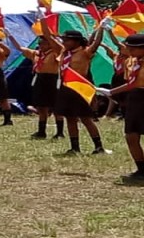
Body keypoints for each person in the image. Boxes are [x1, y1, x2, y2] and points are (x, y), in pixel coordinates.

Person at [43, 22, 108, 154]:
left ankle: (98, 146)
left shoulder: (85, 52)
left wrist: (101, 28)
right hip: (65, 87)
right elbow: (48, 36)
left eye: (67, 40)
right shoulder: (63, 51)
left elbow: (96, 43)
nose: (64, 42)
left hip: (79, 88)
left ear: (76, 41)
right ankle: (75, 147)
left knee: (85, 118)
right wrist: (43, 19)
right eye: (64, 39)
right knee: (70, 117)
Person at [105, 33, 144, 181]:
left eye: (133, 48)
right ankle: (141, 169)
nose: (129, 51)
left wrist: (111, 92)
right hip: (135, 98)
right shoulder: (132, 61)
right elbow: (131, 83)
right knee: (131, 135)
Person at [9, 30, 61, 140]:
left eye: (43, 43)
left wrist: (51, 37)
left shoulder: (55, 53)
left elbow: (60, 49)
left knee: (56, 106)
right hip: (39, 79)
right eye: (40, 43)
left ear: (49, 44)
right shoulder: (36, 54)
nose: (41, 45)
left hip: (52, 79)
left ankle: (59, 132)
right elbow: (19, 48)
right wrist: (10, 35)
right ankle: (41, 131)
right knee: (41, 106)